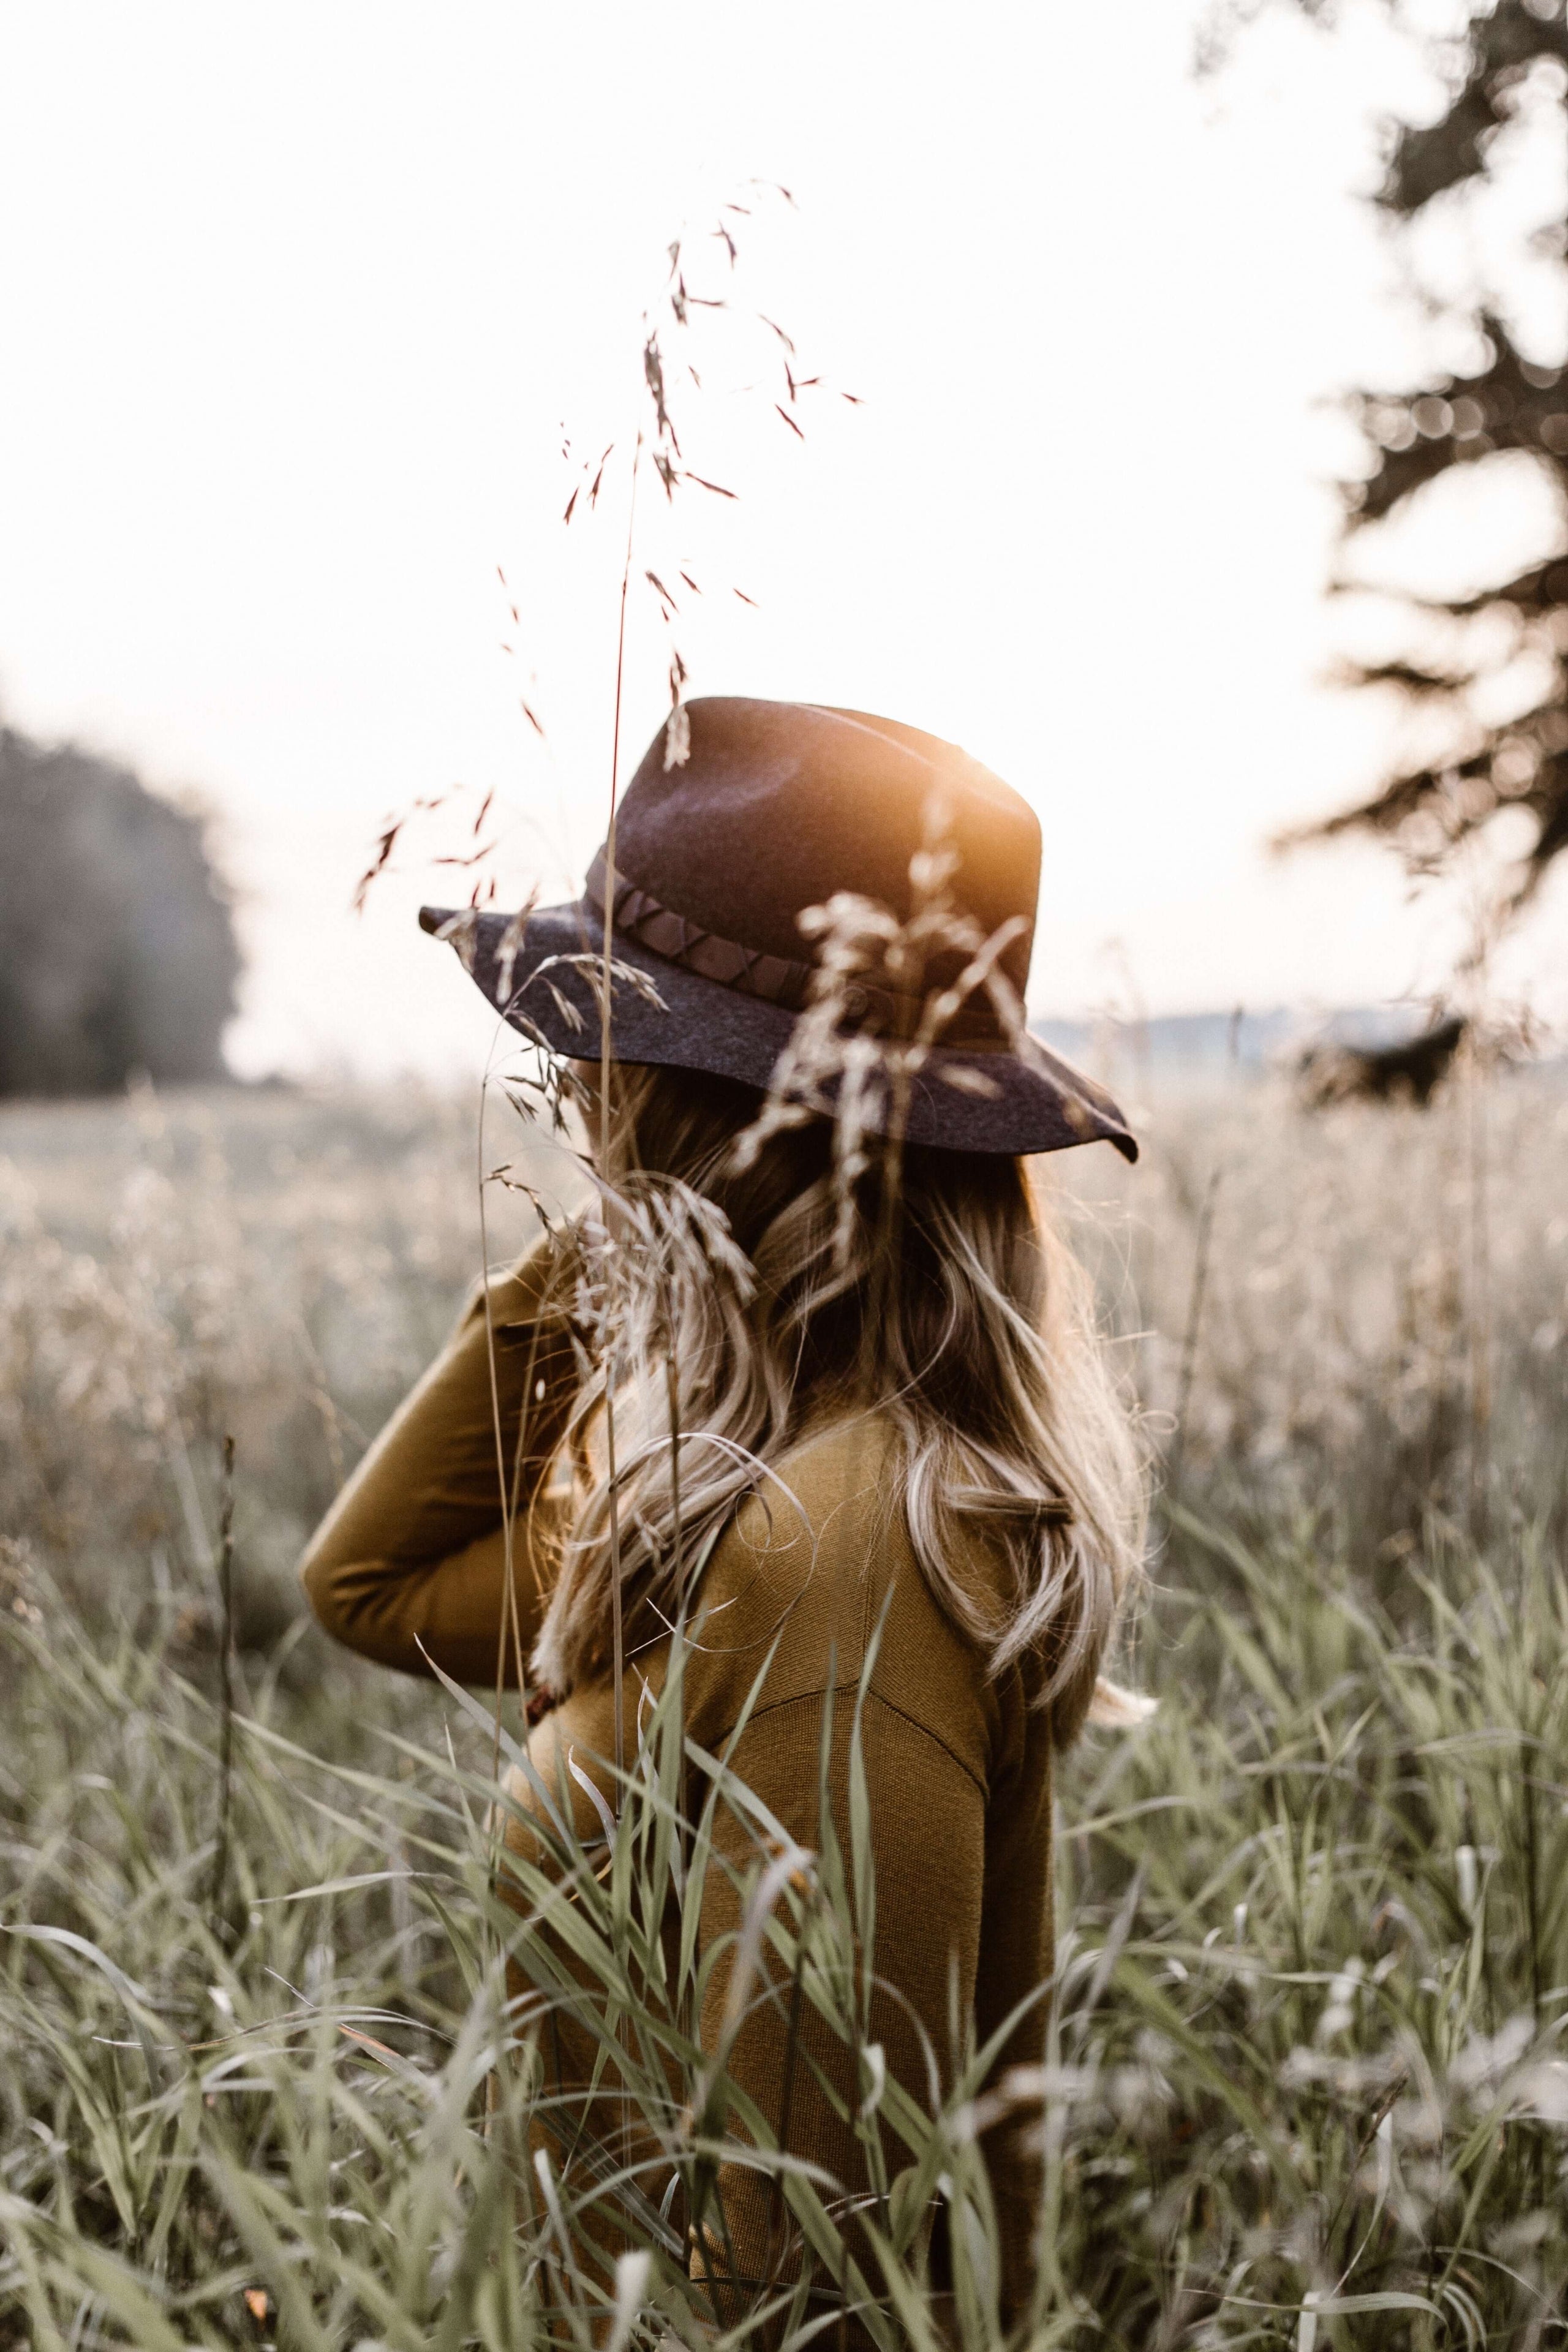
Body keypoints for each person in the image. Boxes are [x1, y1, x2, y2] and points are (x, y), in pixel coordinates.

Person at [300, 696, 1146, 2326]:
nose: (566, 1073)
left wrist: (650, 1212)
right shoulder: (730, 1491)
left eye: (605, 1045)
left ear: (697, 1103)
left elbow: (820, 2273)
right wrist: (633, 1250)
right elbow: (374, 1587)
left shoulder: (845, 1548)